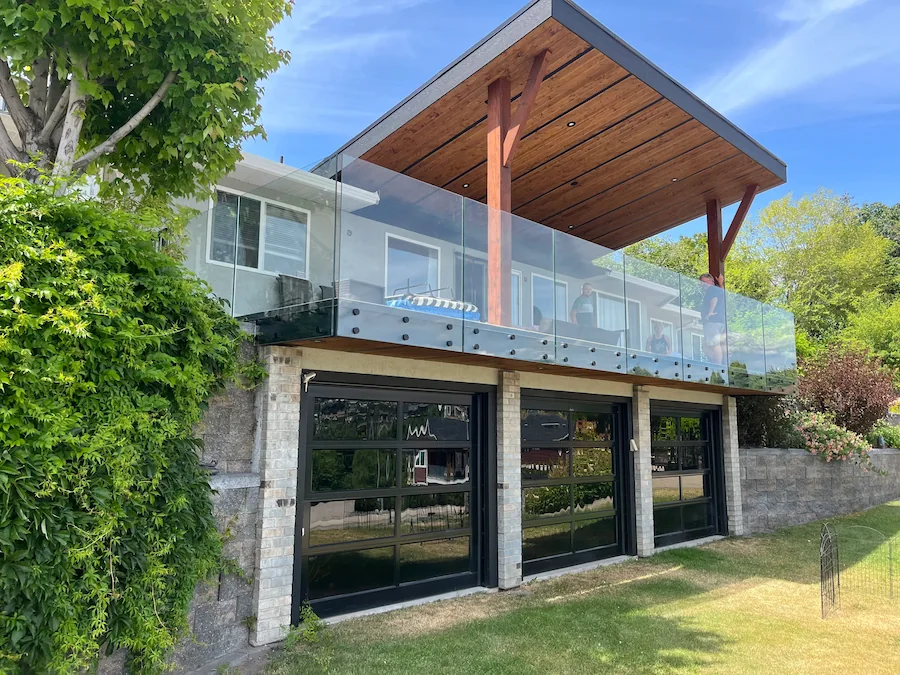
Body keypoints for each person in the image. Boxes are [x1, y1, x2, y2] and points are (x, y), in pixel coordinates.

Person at [699, 273, 725, 364]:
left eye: (703, 281)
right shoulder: (717, 289)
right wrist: (721, 283)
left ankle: (717, 366)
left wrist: (710, 312)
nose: (701, 284)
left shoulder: (711, 289)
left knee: (714, 345)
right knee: (706, 346)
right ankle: (715, 361)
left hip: (712, 321)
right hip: (719, 321)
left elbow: (714, 299)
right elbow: (721, 294)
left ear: (710, 281)